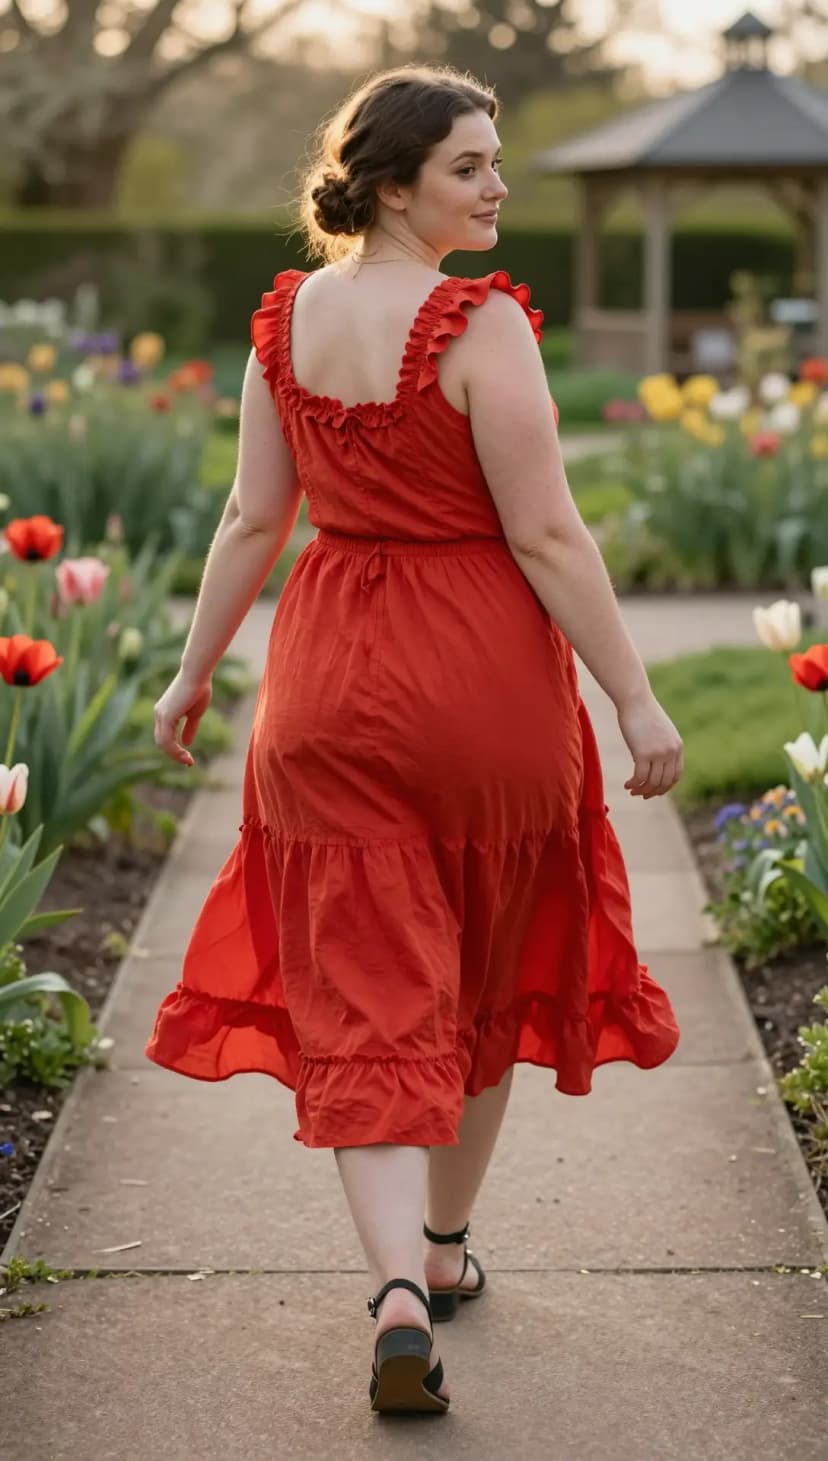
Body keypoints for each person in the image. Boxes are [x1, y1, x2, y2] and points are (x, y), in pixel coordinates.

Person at [146, 63, 683, 1416]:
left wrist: (192, 674)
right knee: (487, 958)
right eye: (469, 167)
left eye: (496, 162)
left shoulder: (288, 321)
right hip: (479, 679)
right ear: (393, 184)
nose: (498, 185)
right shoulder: (480, 323)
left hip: (325, 676)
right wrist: (634, 695)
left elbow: (249, 523)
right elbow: (548, 533)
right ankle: (445, 1251)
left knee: (367, 984)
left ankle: (395, 1283)